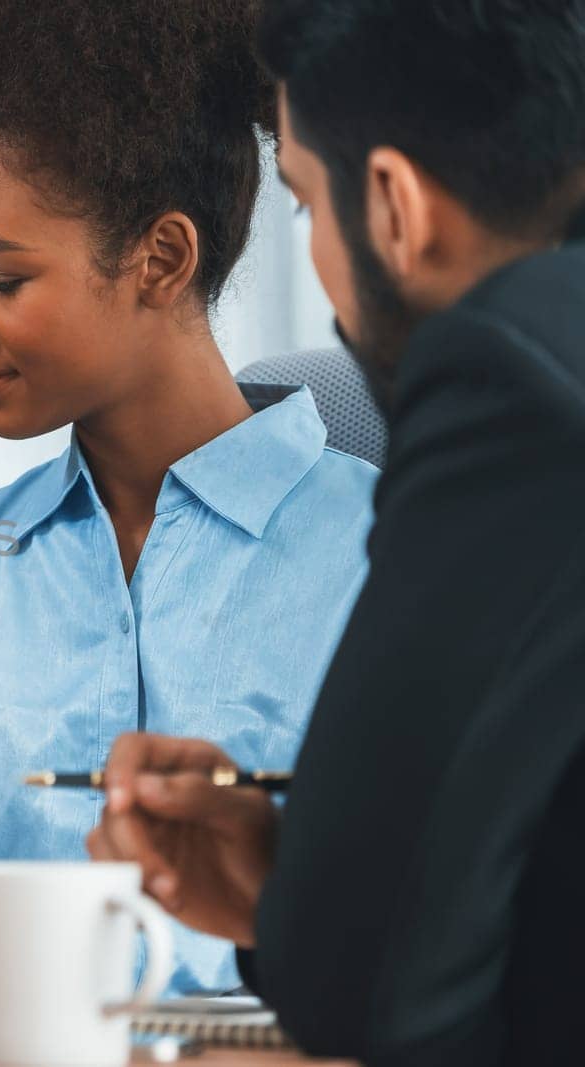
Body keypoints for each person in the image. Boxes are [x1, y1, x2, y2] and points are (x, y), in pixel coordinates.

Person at [87, 1, 585, 1062]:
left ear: (396, 206)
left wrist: (311, 903)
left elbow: (362, 984)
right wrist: (297, 880)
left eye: (307, 203)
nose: (315, 254)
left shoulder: (506, 378)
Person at [0, 0, 378, 994]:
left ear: (162, 259)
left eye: (2, 277)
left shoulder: (390, 557)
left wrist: (0, 949)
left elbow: (406, 929)